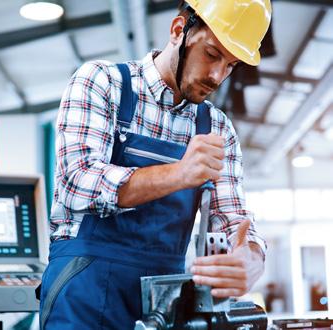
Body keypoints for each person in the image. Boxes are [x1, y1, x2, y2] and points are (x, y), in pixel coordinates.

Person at [39, 0, 272, 329]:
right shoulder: (102, 83)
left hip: (164, 304)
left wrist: (251, 258)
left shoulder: (217, 128)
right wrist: (179, 174)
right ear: (179, 30)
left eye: (231, 65)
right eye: (211, 54)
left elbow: (230, 218)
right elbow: (78, 183)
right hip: (83, 294)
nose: (218, 76)